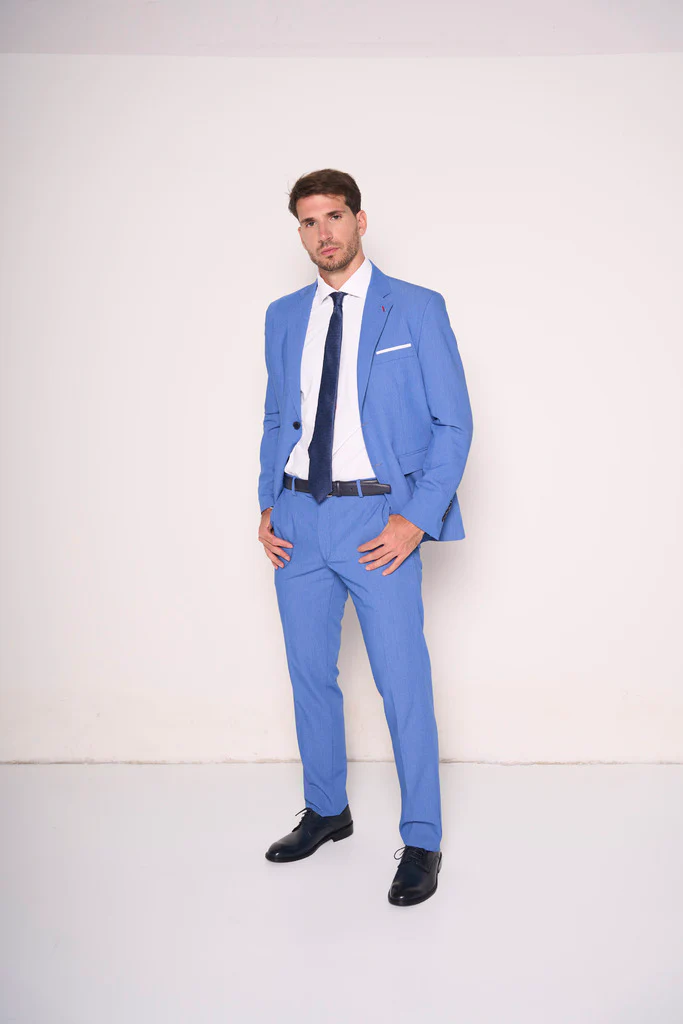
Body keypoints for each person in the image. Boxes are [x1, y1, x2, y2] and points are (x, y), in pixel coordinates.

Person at [257, 168, 473, 906]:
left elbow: (454, 424)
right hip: (297, 519)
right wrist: (266, 503)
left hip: (378, 520)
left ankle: (423, 839)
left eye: (335, 216)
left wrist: (415, 518)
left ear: (360, 220)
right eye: (309, 221)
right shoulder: (283, 316)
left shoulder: (414, 307)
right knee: (309, 675)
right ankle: (327, 810)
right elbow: (275, 416)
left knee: (401, 682)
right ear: (299, 231)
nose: (324, 233)